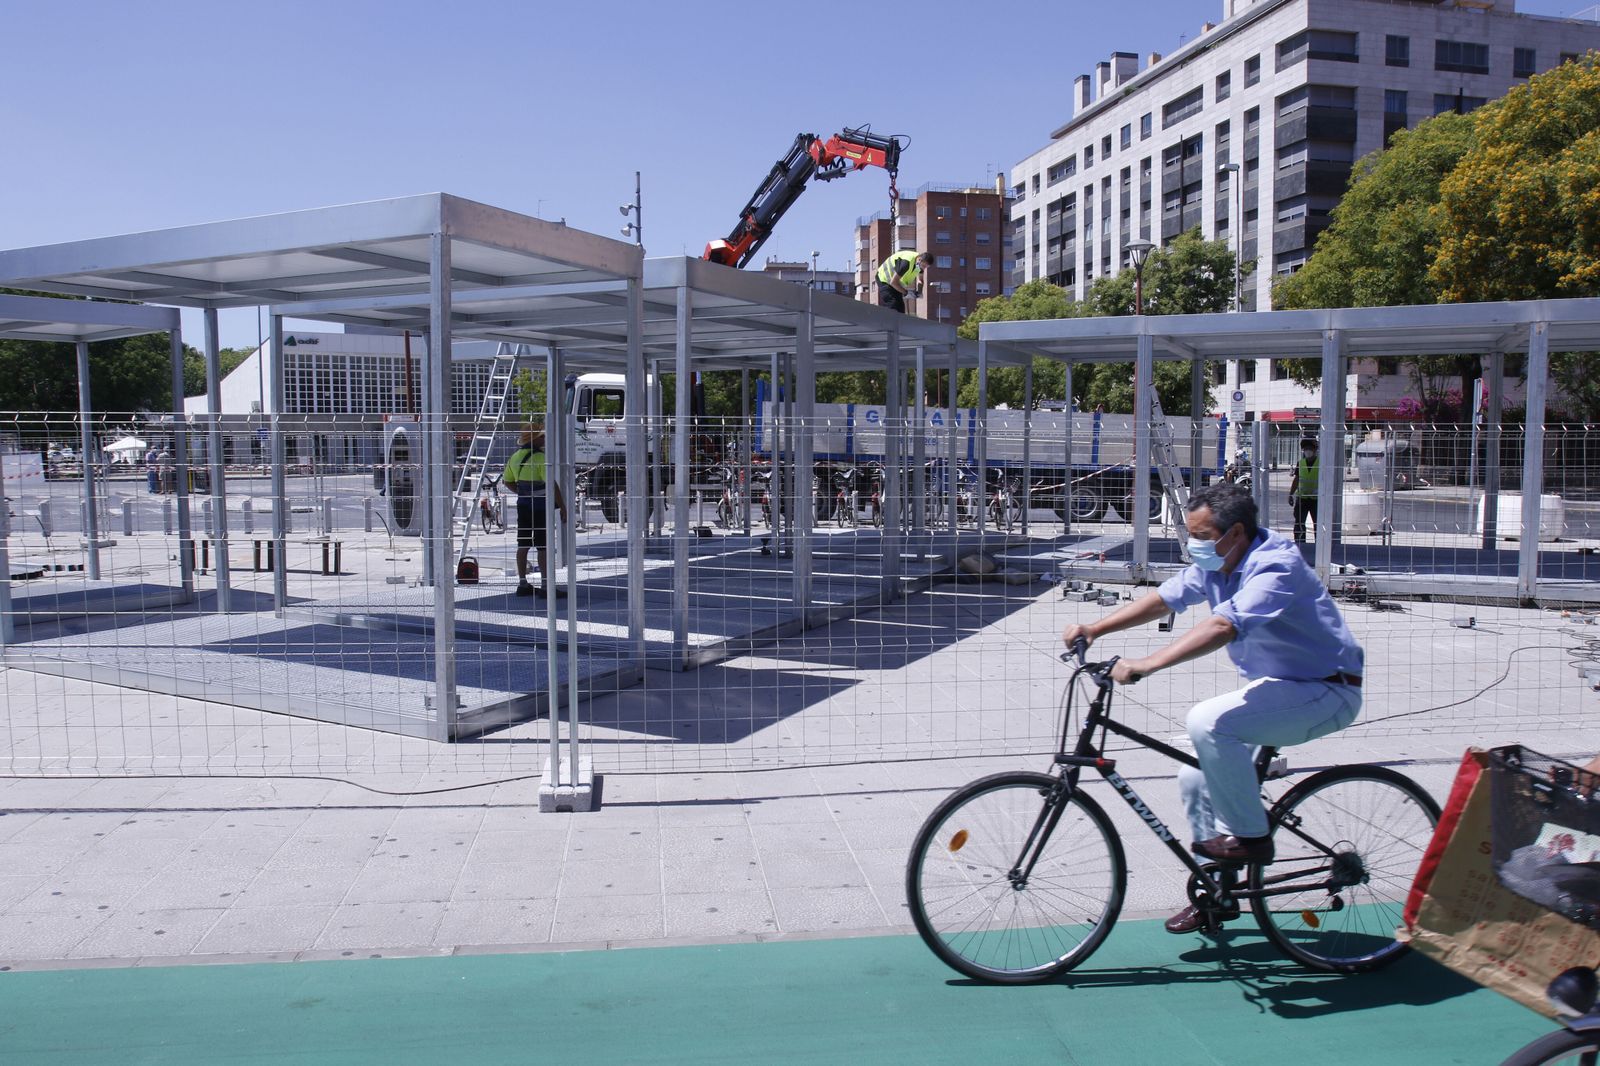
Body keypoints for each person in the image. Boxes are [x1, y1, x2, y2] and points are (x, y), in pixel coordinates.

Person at [1061, 481, 1364, 935]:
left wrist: (1146, 664)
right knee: (1194, 775)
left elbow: (1224, 626)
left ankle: (1254, 840)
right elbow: (1167, 597)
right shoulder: (1219, 562)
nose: (1193, 545)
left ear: (1236, 532)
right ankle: (1218, 894)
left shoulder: (1275, 567)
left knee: (1207, 723)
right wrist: (1096, 627)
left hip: (1326, 691)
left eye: (1200, 536)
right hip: (1280, 687)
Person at [501, 428, 567, 598]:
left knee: (523, 544)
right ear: (534, 440)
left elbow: (507, 481)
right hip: (540, 508)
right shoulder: (540, 458)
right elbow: (552, 485)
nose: (544, 439)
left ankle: (522, 583)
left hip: (523, 506)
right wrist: (563, 507)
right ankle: (546, 586)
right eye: (541, 436)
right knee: (543, 546)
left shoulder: (514, 457)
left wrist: (523, 493)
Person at [1288, 436, 1319, 543]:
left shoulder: (1321, 463)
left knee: (1318, 524)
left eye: (1310, 448)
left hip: (1317, 500)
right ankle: (1300, 545)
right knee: (1299, 523)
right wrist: (1291, 494)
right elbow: (1296, 480)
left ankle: (1319, 545)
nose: (1308, 451)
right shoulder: (1300, 463)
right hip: (1302, 499)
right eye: (1306, 449)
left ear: (1315, 450)